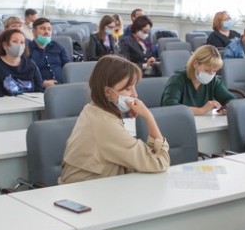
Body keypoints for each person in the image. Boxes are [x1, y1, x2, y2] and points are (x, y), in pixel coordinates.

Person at [60, 55, 170, 183]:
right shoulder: (105, 125)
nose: (135, 94)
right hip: (91, 196)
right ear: (107, 92)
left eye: (134, 86)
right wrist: (149, 117)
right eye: (128, 88)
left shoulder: (91, 109)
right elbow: (158, 162)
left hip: (93, 189)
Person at [160, 45, 234, 115]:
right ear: (195, 64)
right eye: (207, 70)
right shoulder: (177, 79)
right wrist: (201, 110)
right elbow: (169, 106)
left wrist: (227, 107)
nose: (211, 74)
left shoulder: (213, 81)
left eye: (215, 71)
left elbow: (231, 99)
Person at [0, 29, 44, 97]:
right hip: (7, 105)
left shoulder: (31, 64)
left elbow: (39, 90)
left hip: (32, 104)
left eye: (22, 42)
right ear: (5, 45)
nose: (19, 45)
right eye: (15, 41)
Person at [29, 17, 70, 87]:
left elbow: (68, 67)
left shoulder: (59, 47)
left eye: (49, 29)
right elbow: (25, 73)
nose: (46, 32)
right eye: (42, 28)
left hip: (61, 86)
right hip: (39, 88)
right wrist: (42, 82)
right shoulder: (27, 49)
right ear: (34, 31)